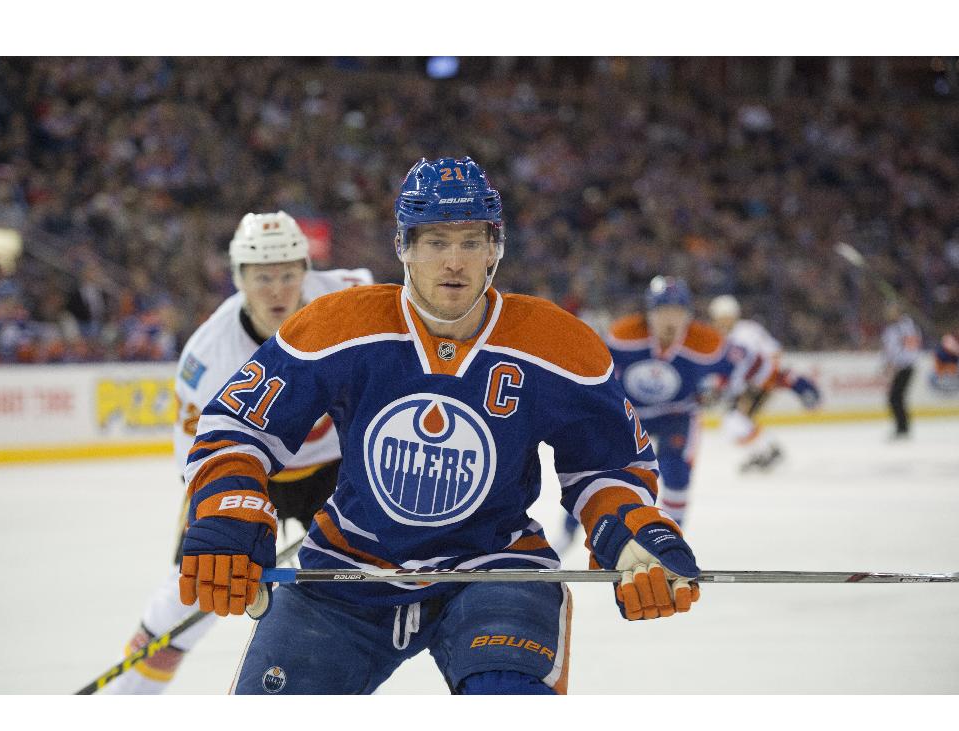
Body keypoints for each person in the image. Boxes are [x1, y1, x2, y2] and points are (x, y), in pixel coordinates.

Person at [176, 157, 701, 695]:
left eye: (471, 241)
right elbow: (235, 427)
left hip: (494, 568)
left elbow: (608, 463)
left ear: (495, 248)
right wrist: (228, 504)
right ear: (403, 245)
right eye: (435, 242)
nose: (454, 262)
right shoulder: (336, 325)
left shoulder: (557, 344)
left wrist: (630, 529)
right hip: (346, 569)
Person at [102, 211, 372, 694]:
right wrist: (220, 517)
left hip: (334, 468)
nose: (278, 290)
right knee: (195, 590)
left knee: (354, 589)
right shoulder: (207, 356)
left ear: (306, 271)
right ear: (238, 279)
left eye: (289, 274)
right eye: (262, 277)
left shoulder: (351, 298)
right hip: (247, 470)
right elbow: (200, 457)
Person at [602, 277, 760, 527]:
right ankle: (573, 532)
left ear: (688, 315)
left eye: (677, 311)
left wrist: (795, 383)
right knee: (603, 474)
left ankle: (671, 540)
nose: (670, 319)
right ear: (649, 314)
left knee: (676, 473)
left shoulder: (706, 341)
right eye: (662, 311)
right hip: (629, 415)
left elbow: (750, 363)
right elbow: (594, 368)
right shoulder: (623, 335)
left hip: (676, 415)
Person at [707, 294, 821, 472]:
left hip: (757, 384)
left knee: (735, 421)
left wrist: (790, 382)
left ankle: (768, 450)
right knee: (735, 424)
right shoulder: (719, 338)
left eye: (725, 318)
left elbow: (773, 354)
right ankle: (765, 450)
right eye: (719, 318)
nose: (722, 322)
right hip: (749, 385)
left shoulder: (747, 332)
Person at [880, 301, 921, 440]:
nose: (887, 314)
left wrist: (890, 364)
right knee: (897, 397)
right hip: (907, 365)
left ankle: (902, 427)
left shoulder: (898, 328)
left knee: (895, 397)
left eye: (891, 311)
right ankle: (902, 427)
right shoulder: (909, 325)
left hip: (904, 366)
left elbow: (894, 349)